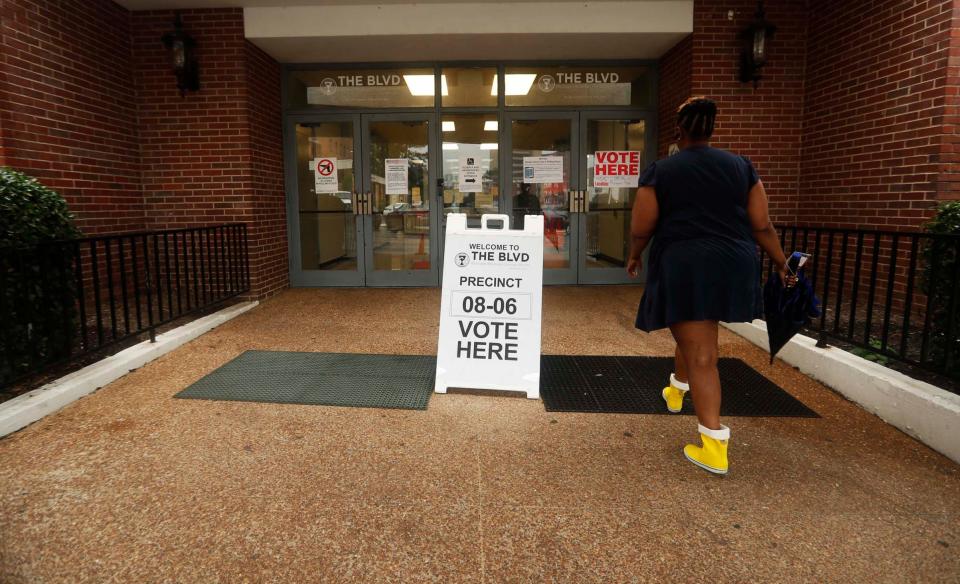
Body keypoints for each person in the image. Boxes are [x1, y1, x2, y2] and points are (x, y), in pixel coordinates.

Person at [626, 96, 793, 476]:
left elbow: (642, 225)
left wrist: (635, 254)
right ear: (712, 129)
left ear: (679, 130)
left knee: (701, 350)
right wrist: (782, 263)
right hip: (734, 263)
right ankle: (676, 389)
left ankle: (713, 444)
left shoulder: (661, 171)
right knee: (696, 331)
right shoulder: (741, 167)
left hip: (686, 263)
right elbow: (761, 224)